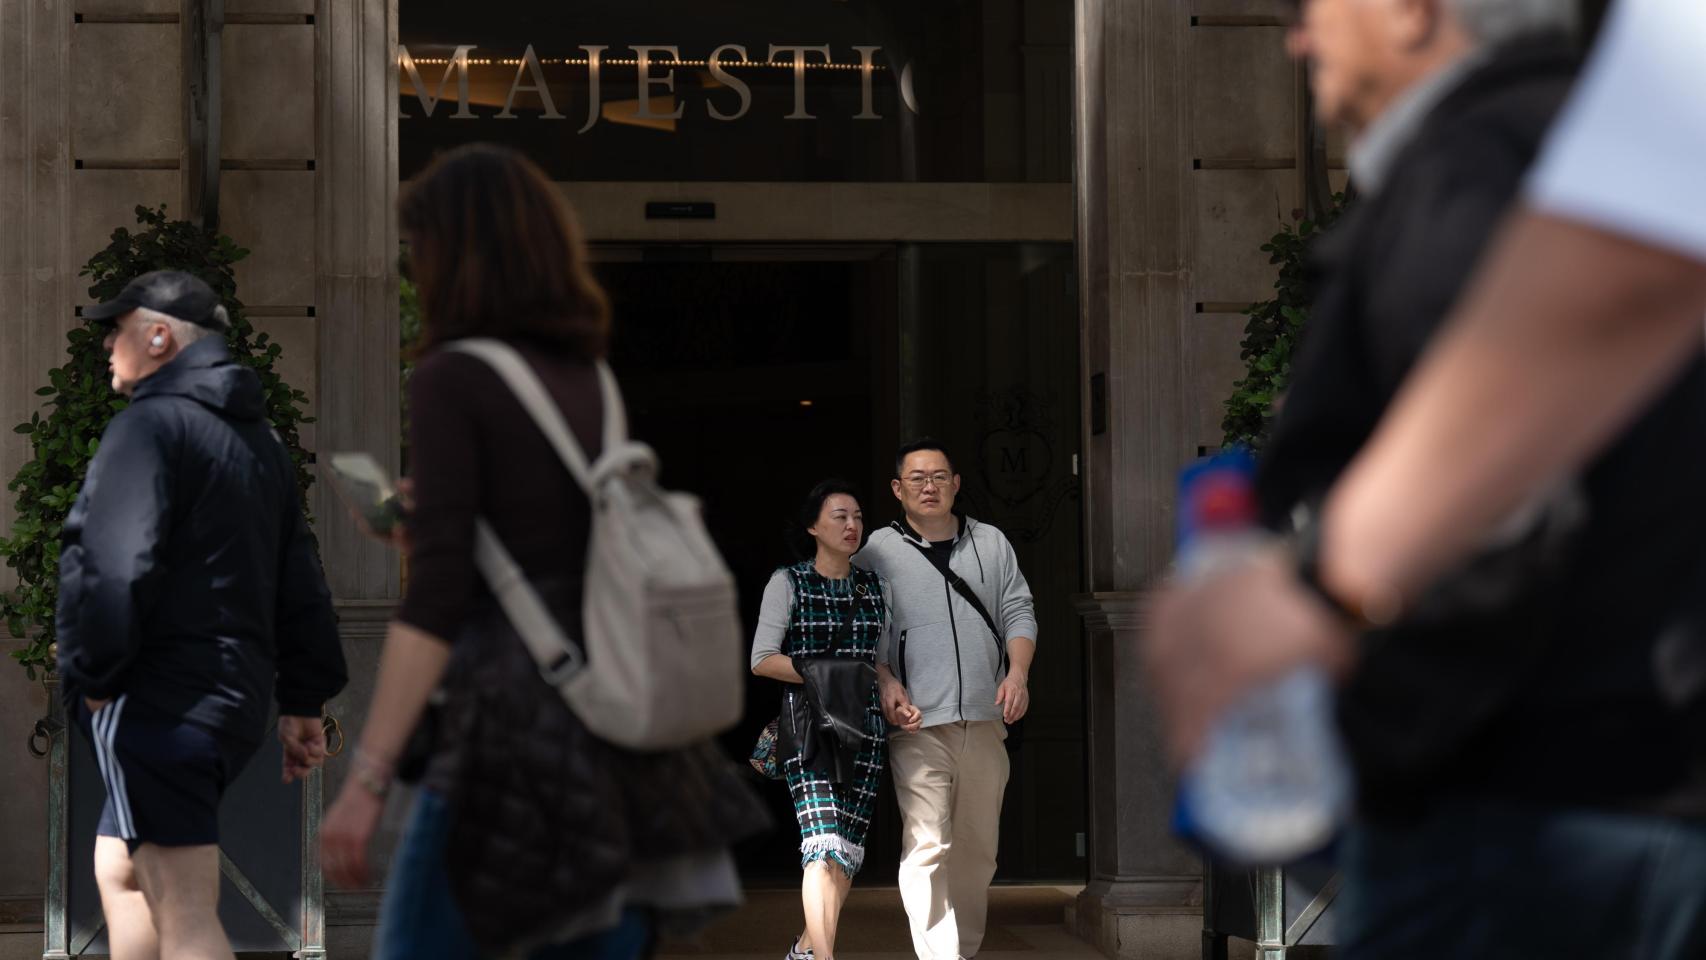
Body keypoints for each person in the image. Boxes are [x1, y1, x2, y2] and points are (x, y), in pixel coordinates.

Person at [1147, 0, 1706, 956]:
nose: (1295, 38)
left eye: (1312, 7)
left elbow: (1522, 488)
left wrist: (1323, 604)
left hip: (1535, 819)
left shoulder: (1482, 166)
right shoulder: (1550, 147)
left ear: (1410, 10)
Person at [318, 143, 768, 960]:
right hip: (607, 726)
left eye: (418, 249)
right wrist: (440, 526)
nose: (413, 270)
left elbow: (440, 598)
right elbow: (558, 538)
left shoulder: (452, 376)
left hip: (502, 738)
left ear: (454, 252)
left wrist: (367, 778)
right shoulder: (588, 376)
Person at [56, 270, 347, 960]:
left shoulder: (148, 428)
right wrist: (305, 697)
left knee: (183, 905)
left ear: (159, 336)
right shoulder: (260, 444)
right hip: (226, 698)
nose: (106, 347)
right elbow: (298, 577)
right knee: (120, 870)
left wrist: (96, 680)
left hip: (158, 699)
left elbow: (116, 568)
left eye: (117, 330)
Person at [853, 439, 1036, 960]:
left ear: (956, 484)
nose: (928, 486)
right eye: (916, 478)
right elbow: (863, 633)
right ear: (897, 489)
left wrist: (1018, 673)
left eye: (938, 477)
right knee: (928, 843)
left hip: (985, 716)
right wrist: (886, 681)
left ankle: (965, 949)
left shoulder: (992, 542)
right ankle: (941, 955)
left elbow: (1019, 610)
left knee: (978, 852)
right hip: (916, 723)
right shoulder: (875, 552)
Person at [750, 480, 889, 960]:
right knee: (822, 844)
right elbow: (762, 659)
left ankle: (804, 952)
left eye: (857, 517)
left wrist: (891, 690)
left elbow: (881, 660)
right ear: (813, 526)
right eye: (839, 517)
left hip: (865, 727)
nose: (852, 526)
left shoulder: (875, 586)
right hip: (810, 726)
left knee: (846, 853)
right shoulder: (787, 581)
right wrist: (832, 674)